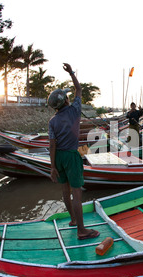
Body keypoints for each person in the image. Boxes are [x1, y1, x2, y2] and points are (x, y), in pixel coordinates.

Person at [48, 63, 100, 240]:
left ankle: (72, 220)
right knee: (76, 193)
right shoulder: (75, 110)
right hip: (71, 155)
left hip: (59, 158)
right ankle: (81, 230)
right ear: (66, 101)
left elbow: (52, 145)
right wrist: (71, 72)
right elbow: (78, 89)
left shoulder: (52, 121)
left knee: (65, 190)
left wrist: (52, 166)